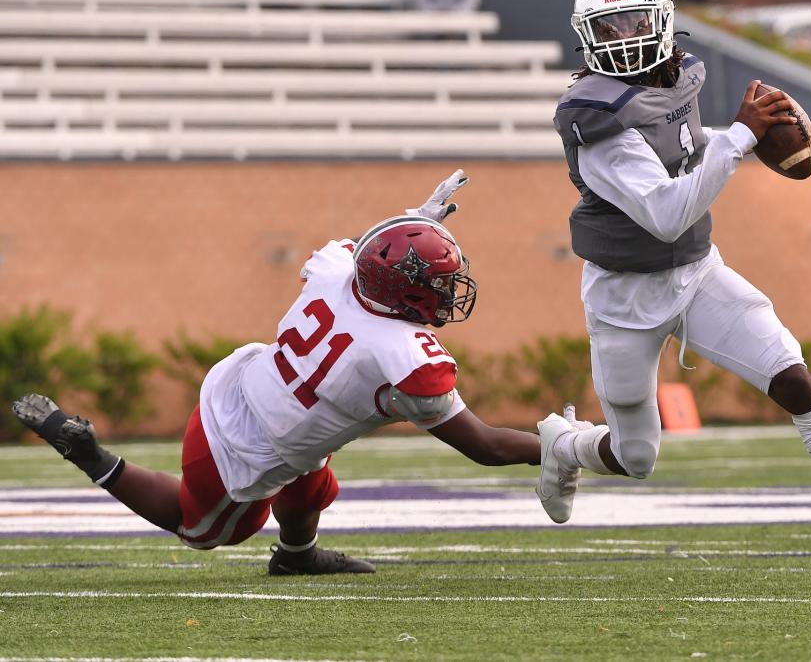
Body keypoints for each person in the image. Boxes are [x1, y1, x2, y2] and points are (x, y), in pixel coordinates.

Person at [538, 0, 811, 572]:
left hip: (696, 271)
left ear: (663, 20)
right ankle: (566, 446)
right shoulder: (598, 123)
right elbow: (667, 211)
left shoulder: (676, 79)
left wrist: (741, 139)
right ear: (587, 35)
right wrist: (741, 138)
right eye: (610, 27)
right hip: (624, 297)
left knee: (791, 372)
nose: (625, 39)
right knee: (637, 457)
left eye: (634, 21)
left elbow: (687, 161)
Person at [12, 171, 546, 576]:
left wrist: (416, 225)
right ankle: (91, 455)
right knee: (203, 529)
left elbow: (370, 252)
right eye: (437, 283)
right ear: (402, 292)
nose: (446, 293)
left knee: (312, 482)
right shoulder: (398, 354)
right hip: (242, 448)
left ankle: (296, 557)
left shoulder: (339, 270)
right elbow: (487, 446)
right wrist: (568, 445)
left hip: (249, 386)